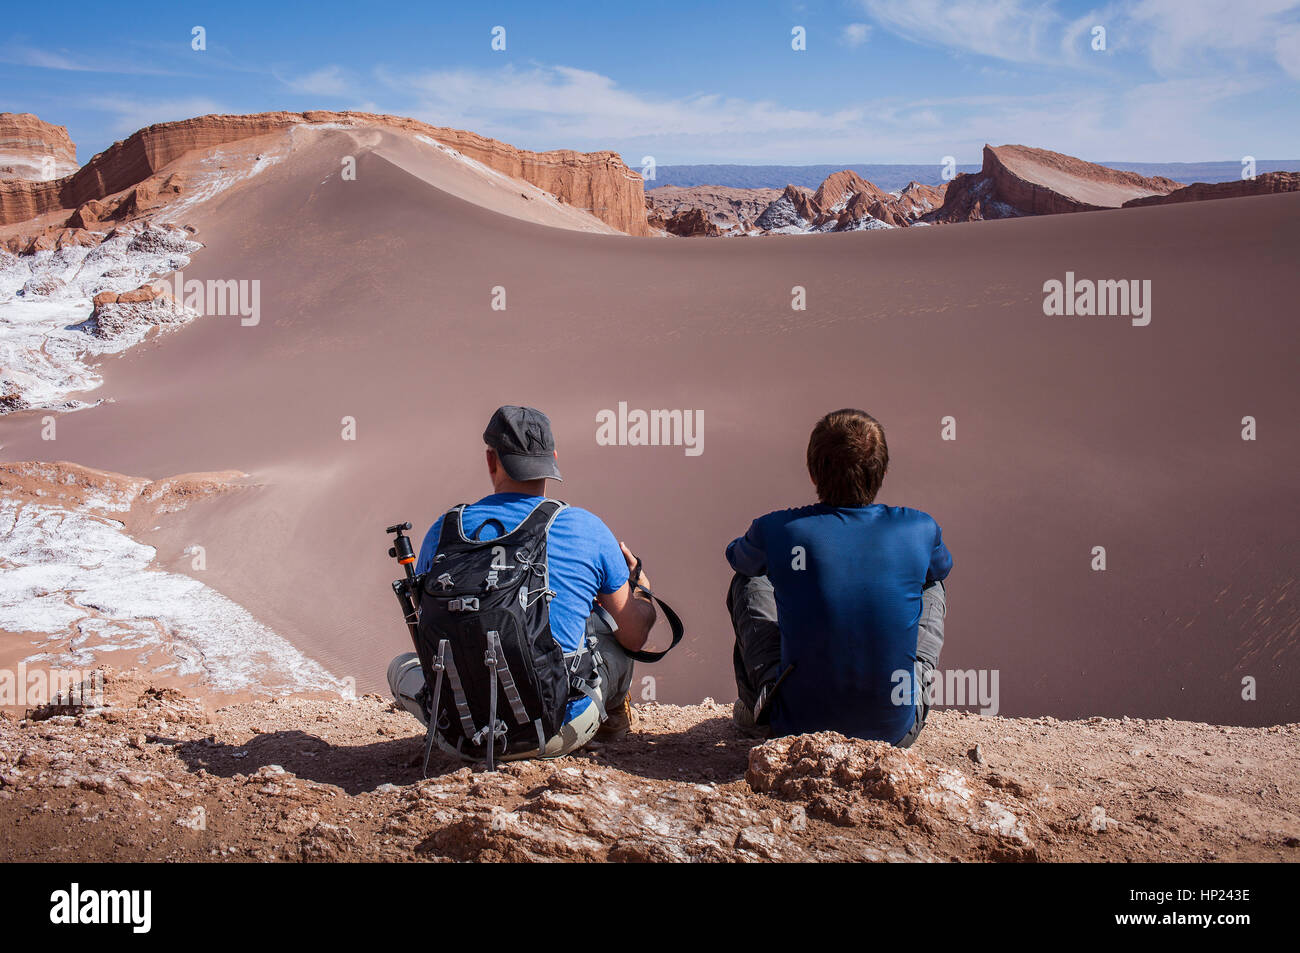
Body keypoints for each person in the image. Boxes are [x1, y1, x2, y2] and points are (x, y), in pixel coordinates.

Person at [387, 405, 657, 760]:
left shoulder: (444, 530)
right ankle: (611, 722)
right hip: (555, 732)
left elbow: (430, 629)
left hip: (460, 737)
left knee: (400, 667)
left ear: (491, 460)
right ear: (553, 461)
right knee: (607, 624)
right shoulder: (585, 527)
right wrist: (641, 589)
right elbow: (634, 636)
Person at [725, 408, 951, 747]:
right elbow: (940, 569)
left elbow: (738, 558)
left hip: (793, 725)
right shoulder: (920, 528)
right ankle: (891, 694)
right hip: (894, 731)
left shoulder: (777, 529)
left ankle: (761, 702)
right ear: (883, 471)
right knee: (931, 584)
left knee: (748, 581)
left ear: (813, 473)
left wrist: (795, 567)